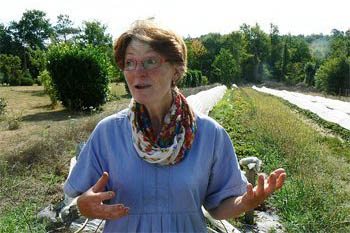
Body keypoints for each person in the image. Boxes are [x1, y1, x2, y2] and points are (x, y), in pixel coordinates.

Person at [63, 20, 286, 232]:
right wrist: (82, 205)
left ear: (176, 70)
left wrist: (246, 202)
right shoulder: (108, 133)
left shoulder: (209, 134)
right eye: (130, 63)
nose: (138, 71)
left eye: (150, 61)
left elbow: (218, 208)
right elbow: (78, 196)